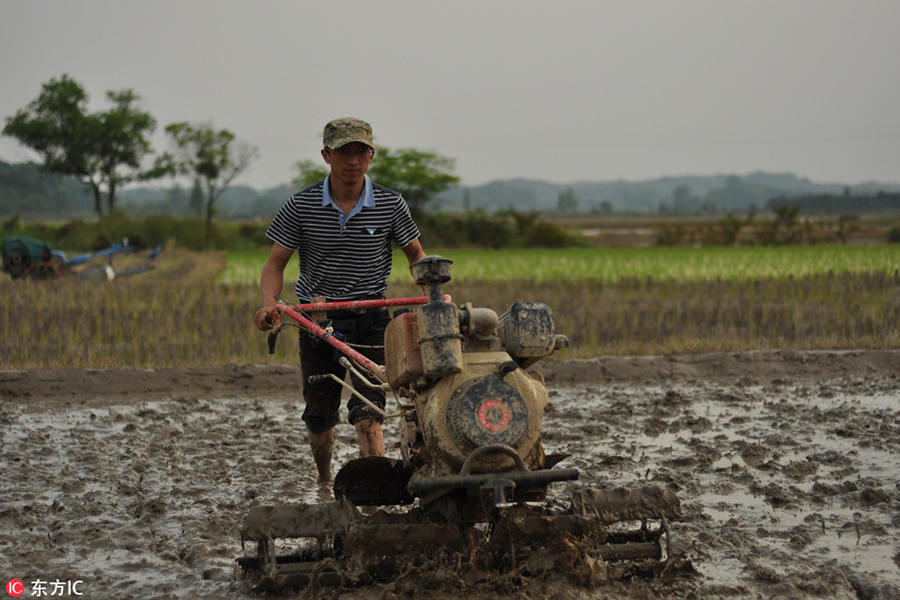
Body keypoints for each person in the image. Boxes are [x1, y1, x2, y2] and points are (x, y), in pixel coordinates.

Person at [254, 117, 426, 484]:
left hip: (372, 317)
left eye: (360, 151)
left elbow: (416, 257)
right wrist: (271, 303)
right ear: (326, 155)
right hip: (317, 320)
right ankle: (324, 481)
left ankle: (375, 497)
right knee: (319, 413)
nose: (353, 160)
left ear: (371, 155)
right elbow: (275, 264)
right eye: (344, 151)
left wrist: (432, 293)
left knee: (369, 411)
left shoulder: (390, 204)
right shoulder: (300, 206)